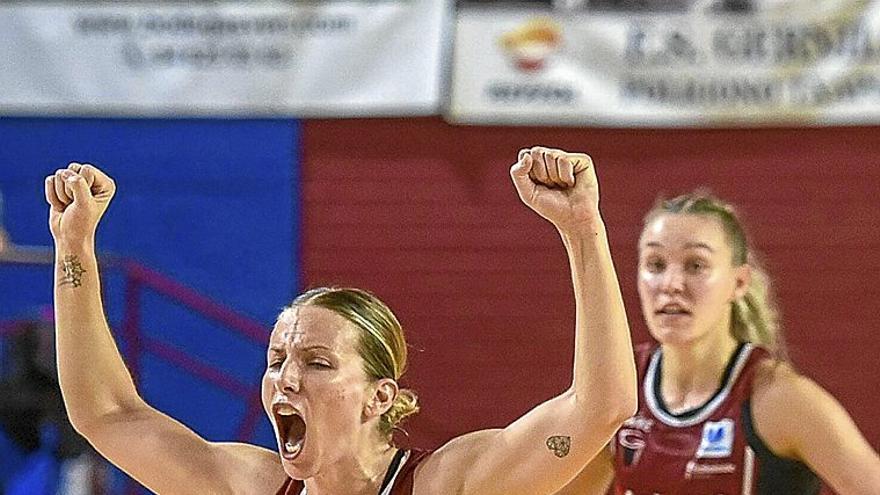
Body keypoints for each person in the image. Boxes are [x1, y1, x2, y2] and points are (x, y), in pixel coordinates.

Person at [44, 147, 637, 495]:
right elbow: (107, 413)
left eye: (318, 362)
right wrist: (74, 249)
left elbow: (601, 405)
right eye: (277, 361)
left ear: (380, 396)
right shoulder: (249, 485)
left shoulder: (446, 485)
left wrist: (583, 229)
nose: (286, 379)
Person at [556, 192, 880, 494]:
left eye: (695, 265)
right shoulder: (619, 392)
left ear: (738, 282)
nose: (671, 284)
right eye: (655, 265)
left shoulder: (779, 399)